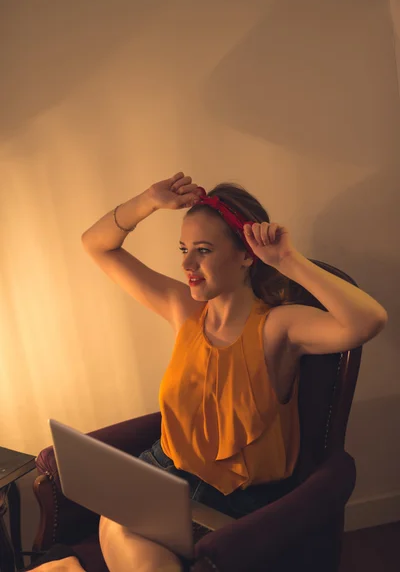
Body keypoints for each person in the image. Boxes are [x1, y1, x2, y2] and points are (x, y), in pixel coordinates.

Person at [29, 172, 388, 572]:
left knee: (112, 534)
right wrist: (147, 201)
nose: (186, 263)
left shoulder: (278, 327)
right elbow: (96, 245)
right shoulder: (182, 308)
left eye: (202, 250)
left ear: (246, 255)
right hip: (162, 475)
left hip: (238, 502)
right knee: (116, 525)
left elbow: (368, 321)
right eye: (183, 248)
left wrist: (287, 260)